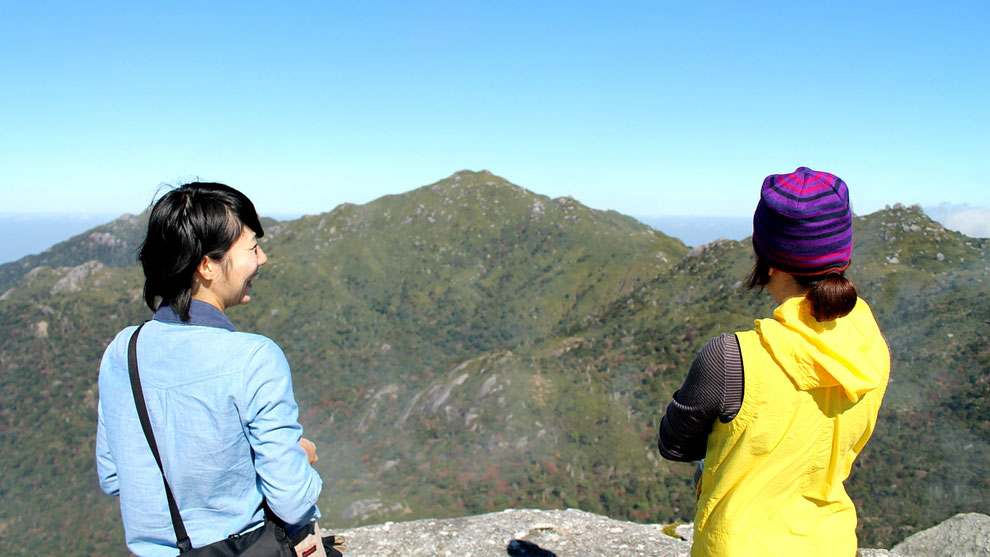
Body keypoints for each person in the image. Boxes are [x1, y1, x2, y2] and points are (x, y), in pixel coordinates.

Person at [657, 167, 890, 556]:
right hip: (830, 542)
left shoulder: (731, 358)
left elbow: (674, 445)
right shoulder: (871, 346)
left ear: (767, 256)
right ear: (842, 255)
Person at [96, 182, 323, 556]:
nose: (262, 258)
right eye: (252, 248)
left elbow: (114, 475)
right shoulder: (253, 358)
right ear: (206, 265)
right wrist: (301, 456)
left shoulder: (124, 350)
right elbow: (292, 500)